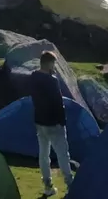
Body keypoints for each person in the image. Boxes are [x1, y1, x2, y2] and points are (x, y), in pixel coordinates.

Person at [32, 50, 73, 196]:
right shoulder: (51, 80)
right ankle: (70, 185)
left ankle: (48, 186)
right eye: (53, 63)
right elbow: (58, 102)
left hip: (40, 121)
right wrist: (62, 121)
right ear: (49, 63)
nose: (54, 66)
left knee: (43, 154)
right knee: (63, 155)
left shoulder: (34, 77)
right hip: (54, 123)